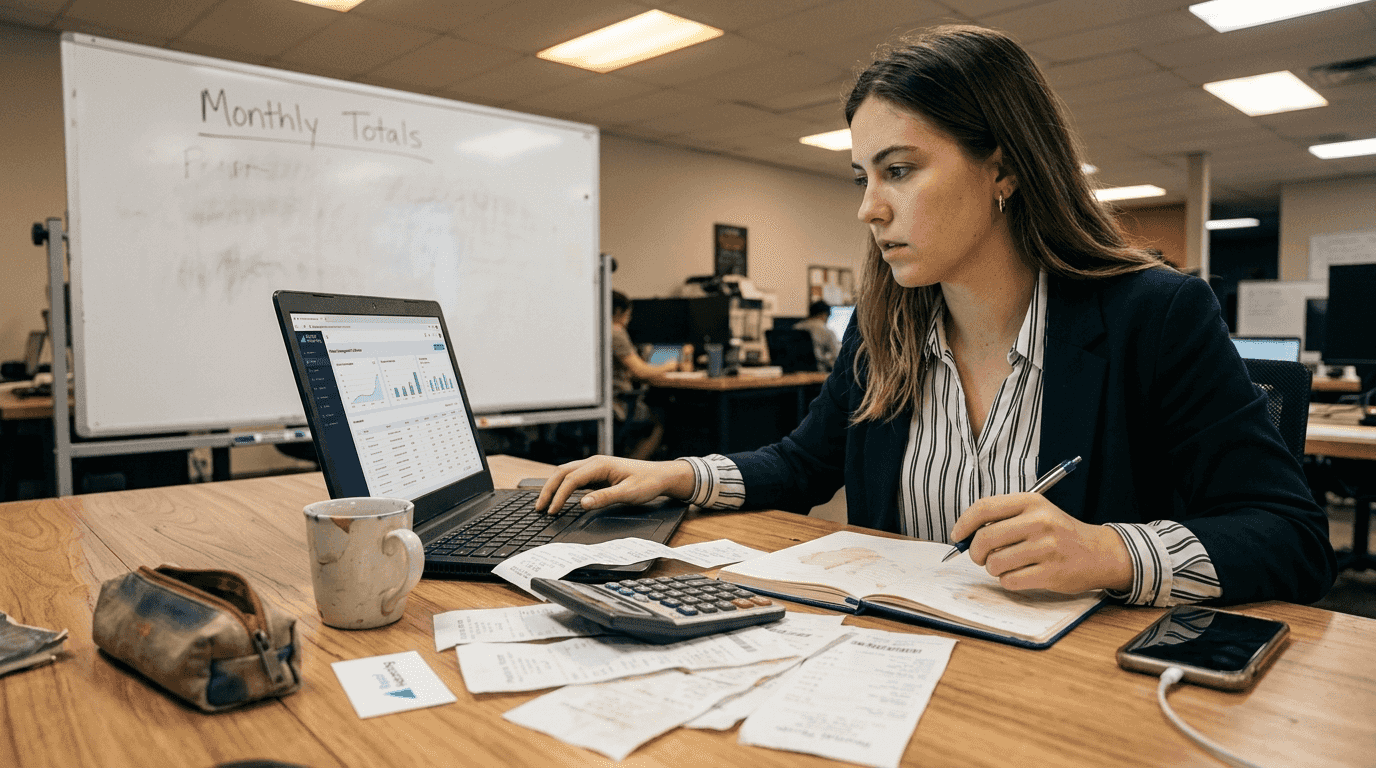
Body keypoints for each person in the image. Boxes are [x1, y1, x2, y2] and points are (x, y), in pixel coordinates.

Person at [540, 25, 1334, 607]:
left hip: (1078, 693)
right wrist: (678, 475)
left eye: (899, 170)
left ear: (1006, 169)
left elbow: (1292, 538)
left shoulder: (1153, 316)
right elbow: (804, 464)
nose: (867, 208)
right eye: (862, 175)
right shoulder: (885, 326)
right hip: (903, 658)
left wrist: (1109, 551)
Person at [610, 290, 686, 460]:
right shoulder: (615, 331)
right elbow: (640, 371)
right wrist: (668, 366)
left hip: (604, 403)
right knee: (659, 421)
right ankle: (630, 471)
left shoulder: (593, 329)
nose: (628, 321)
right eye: (627, 315)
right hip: (618, 404)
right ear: (618, 312)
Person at [792, 300, 842, 371]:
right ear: (824, 315)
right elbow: (837, 357)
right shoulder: (827, 331)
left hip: (795, 371)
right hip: (818, 372)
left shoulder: (796, 327)